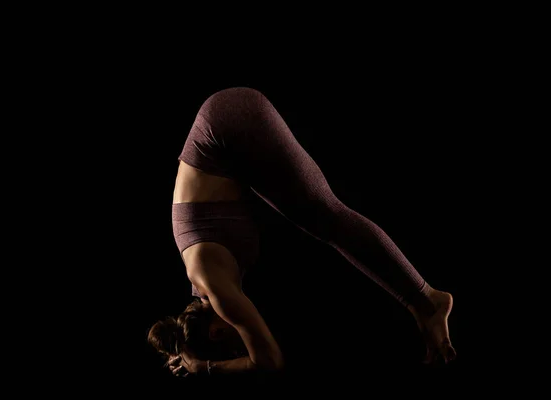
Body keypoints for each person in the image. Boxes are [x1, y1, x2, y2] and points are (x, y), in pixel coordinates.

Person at [147, 87, 456, 379]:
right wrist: (184, 349)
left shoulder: (217, 291)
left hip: (225, 126)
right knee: (324, 220)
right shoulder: (204, 291)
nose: (242, 338)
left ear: (217, 331)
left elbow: (268, 360)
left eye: (234, 341)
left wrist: (206, 367)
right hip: (224, 135)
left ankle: (428, 300)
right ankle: (423, 301)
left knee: (329, 217)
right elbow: (192, 329)